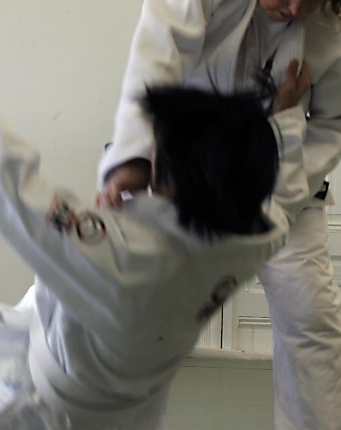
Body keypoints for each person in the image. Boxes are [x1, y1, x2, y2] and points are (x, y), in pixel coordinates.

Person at [0, 0, 310, 428]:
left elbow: (3, 176)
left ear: (168, 175)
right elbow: (286, 187)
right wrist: (284, 114)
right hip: (133, 410)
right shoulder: (253, 239)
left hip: (46, 402)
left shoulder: (112, 251)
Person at [96, 1, 341, 428]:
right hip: (180, 176)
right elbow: (156, 56)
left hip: (284, 185)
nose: (297, 7)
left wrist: (281, 198)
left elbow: (332, 123)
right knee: (144, 323)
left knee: (311, 320)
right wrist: (132, 158)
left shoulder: (331, 19)